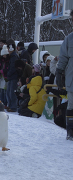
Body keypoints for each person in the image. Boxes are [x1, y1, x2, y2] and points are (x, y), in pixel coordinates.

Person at [55, 10, 73, 140]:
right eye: (72, 20)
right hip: (72, 81)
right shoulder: (69, 39)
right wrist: (59, 72)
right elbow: (63, 58)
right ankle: (70, 132)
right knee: (71, 106)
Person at [6, 39, 19, 112]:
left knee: (12, 92)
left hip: (13, 76)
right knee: (9, 92)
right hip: (11, 77)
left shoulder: (14, 56)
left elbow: (13, 67)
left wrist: (9, 73)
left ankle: (13, 107)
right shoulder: (12, 56)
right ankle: (10, 105)